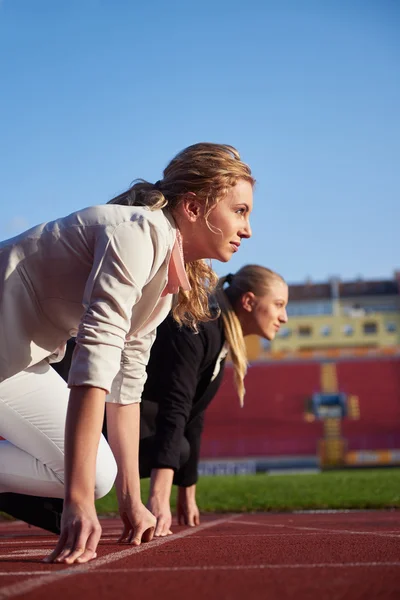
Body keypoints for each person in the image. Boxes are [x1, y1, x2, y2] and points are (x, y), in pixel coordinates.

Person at [0, 143, 254, 564]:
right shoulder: (137, 233)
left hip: (18, 363)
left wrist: (131, 501)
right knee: (84, 486)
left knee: (99, 474)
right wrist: (76, 505)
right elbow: (94, 362)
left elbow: (125, 383)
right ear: (193, 207)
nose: (248, 229)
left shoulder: (165, 280)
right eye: (240, 211)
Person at [139, 265, 288, 536]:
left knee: (183, 446)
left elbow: (194, 415)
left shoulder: (219, 329)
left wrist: (188, 491)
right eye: (279, 305)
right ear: (249, 302)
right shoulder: (203, 321)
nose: (284, 317)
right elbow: (176, 406)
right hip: (107, 413)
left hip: (136, 415)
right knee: (179, 446)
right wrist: (159, 498)